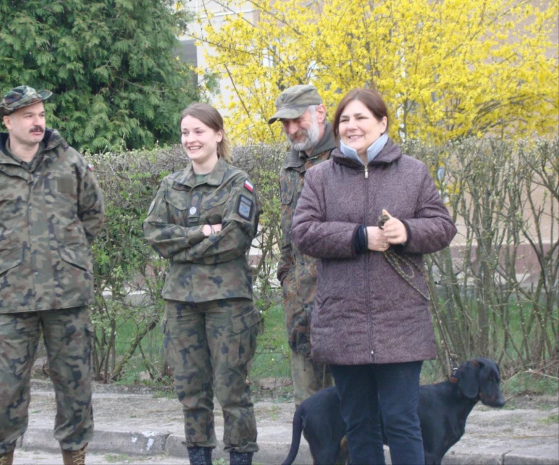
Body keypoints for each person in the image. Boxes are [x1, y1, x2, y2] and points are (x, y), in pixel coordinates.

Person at [290, 88, 457, 465]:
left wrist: (408, 232)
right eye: (344, 120)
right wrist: (359, 236)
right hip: (343, 321)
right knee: (360, 424)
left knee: (402, 421)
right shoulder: (319, 178)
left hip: (400, 322)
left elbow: (443, 227)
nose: (351, 126)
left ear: (382, 122)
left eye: (361, 117)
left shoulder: (413, 172)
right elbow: (303, 233)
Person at [0, 86, 105, 465]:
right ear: (7, 122)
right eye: (28, 116)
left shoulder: (69, 161)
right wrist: (7, 262)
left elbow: (93, 214)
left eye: (40, 114)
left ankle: (75, 458)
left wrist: (64, 255)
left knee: (75, 388)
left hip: (67, 296)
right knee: (5, 390)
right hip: (10, 298)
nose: (37, 122)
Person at [143, 103, 260, 465]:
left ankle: (240, 458)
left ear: (218, 134)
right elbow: (153, 233)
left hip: (228, 301)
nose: (190, 139)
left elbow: (234, 239)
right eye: (185, 132)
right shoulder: (171, 184)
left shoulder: (237, 183)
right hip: (180, 303)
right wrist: (202, 231)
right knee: (190, 391)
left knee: (232, 390)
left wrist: (182, 247)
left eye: (198, 131)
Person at [268, 84, 335, 406]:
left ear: (320, 111)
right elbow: (288, 231)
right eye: (285, 123)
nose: (292, 129)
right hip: (299, 304)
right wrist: (286, 276)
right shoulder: (290, 163)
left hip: (340, 301)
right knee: (308, 407)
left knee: (349, 405)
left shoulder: (347, 153)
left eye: (297, 120)